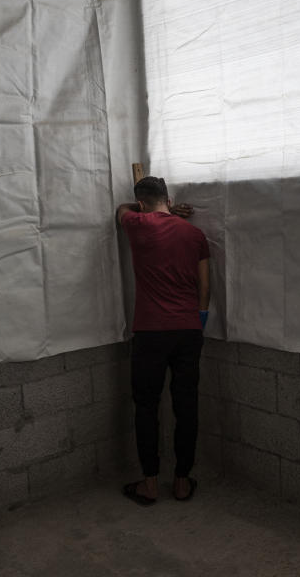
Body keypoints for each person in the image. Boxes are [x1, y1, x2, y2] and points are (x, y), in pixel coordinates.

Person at [115, 176, 210, 505]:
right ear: (169, 200)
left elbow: (120, 210)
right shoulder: (195, 234)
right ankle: (182, 482)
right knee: (187, 406)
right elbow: (205, 288)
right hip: (188, 330)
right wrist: (199, 323)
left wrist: (141, 209)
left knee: (146, 406)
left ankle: (151, 484)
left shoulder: (137, 223)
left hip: (150, 332)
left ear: (142, 204)